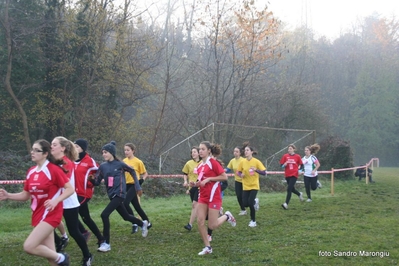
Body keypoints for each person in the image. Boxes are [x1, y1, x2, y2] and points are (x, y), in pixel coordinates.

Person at [0, 139, 74, 266]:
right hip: (38, 214)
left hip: (51, 214)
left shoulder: (53, 170)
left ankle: (62, 257)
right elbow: (25, 195)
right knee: (51, 257)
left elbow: (70, 189)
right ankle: (58, 258)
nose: (32, 152)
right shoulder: (31, 171)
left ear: (45, 153)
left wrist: (56, 201)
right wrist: (8, 196)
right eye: (32, 150)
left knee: (29, 246)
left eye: (36, 150)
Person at [90, 141, 149, 253]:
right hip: (111, 195)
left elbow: (132, 171)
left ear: (111, 152)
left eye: (105, 152)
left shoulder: (120, 165)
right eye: (102, 152)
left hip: (120, 194)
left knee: (104, 215)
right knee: (126, 216)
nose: (103, 154)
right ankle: (142, 223)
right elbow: (97, 182)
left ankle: (106, 243)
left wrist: (137, 186)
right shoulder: (103, 166)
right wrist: (91, 179)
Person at [51, 136, 93, 266]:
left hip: (68, 202)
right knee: (45, 225)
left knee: (74, 231)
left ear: (63, 148)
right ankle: (59, 243)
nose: (51, 146)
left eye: (54, 144)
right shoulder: (53, 161)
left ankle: (87, 255)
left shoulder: (67, 163)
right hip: (55, 201)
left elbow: (62, 183)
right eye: (51, 144)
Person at [190, 141, 236, 255]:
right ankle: (207, 247)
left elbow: (224, 177)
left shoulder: (213, 163)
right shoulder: (200, 165)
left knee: (212, 225)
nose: (200, 151)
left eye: (203, 149)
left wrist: (210, 179)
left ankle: (227, 216)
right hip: (203, 196)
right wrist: (194, 184)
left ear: (209, 151)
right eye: (199, 149)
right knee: (200, 221)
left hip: (214, 196)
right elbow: (201, 181)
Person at [73, 138, 105, 246]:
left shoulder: (89, 160)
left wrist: (92, 183)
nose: (74, 148)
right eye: (74, 146)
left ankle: (84, 232)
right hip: (73, 193)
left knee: (69, 212)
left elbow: (100, 171)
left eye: (77, 146)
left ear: (83, 149)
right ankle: (101, 238)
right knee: (85, 218)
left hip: (84, 193)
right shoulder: (71, 160)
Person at [123, 143, 152, 234]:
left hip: (134, 185)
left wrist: (141, 180)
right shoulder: (123, 161)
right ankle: (147, 222)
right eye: (125, 150)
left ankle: (135, 223)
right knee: (136, 206)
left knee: (125, 203)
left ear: (133, 151)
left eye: (128, 150)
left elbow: (145, 173)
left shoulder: (138, 162)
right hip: (126, 185)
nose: (126, 152)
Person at [236, 142, 266, 227]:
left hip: (254, 185)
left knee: (250, 202)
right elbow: (238, 171)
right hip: (246, 185)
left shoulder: (256, 161)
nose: (245, 152)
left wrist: (256, 170)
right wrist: (240, 175)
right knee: (245, 204)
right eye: (245, 150)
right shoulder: (242, 162)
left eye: (247, 150)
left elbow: (264, 172)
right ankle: (255, 201)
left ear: (251, 152)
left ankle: (253, 221)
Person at [182, 146, 201, 231]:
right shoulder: (188, 163)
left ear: (198, 153)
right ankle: (218, 209)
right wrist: (185, 181)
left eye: (194, 152)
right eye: (192, 152)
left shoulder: (202, 163)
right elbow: (185, 173)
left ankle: (190, 224)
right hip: (191, 187)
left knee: (194, 205)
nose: (193, 153)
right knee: (196, 207)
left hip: (200, 187)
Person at [280, 144, 304, 210]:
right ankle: (299, 194)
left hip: (294, 174)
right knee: (292, 189)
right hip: (287, 175)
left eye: (290, 149)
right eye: (288, 149)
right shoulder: (285, 156)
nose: (289, 150)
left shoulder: (297, 156)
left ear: (294, 149)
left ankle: (286, 204)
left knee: (289, 189)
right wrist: (284, 165)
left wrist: (300, 170)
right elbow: (281, 165)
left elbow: (302, 165)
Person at [225, 147, 246, 215]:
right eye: (234, 151)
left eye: (237, 151)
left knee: (244, 196)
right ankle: (243, 210)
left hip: (244, 180)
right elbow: (228, 169)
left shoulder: (243, 160)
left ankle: (254, 202)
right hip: (237, 180)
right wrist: (222, 171)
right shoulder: (232, 161)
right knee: (238, 195)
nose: (235, 153)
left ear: (240, 153)